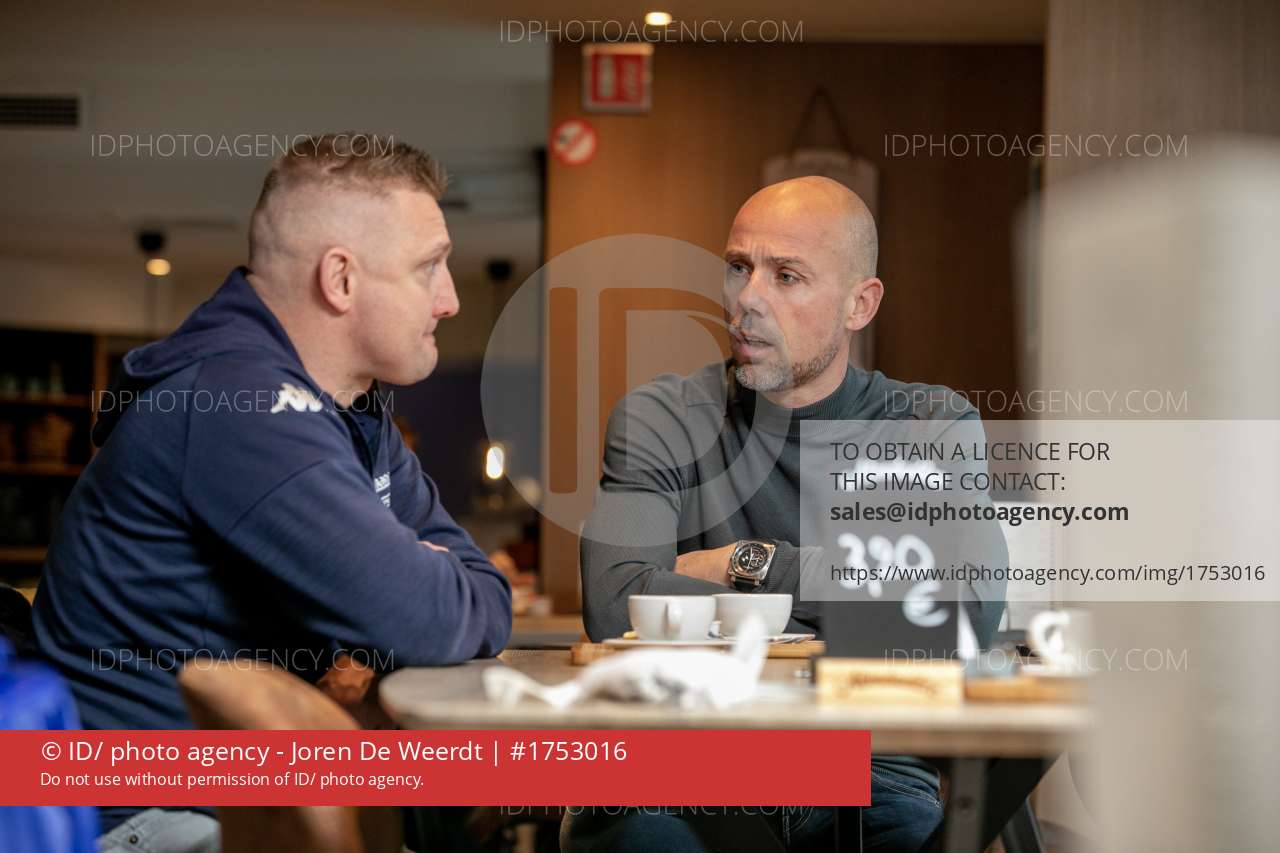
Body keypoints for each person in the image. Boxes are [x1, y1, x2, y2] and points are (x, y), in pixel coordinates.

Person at [32, 133, 512, 850]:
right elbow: (424, 617)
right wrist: (422, 582)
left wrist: (429, 583)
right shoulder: (242, 404)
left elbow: (481, 591)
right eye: (429, 267)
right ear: (340, 279)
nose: (448, 300)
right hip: (140, 814)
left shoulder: (354, 410)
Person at [576, 176, 1007, 852]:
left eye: (786, 276)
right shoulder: (662, 418)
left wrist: (746, 565)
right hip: (679, 768)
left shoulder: (928, 424)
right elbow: (615, 603)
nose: (747, 299)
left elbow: (963, 615)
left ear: (860, 304)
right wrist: (867, 606)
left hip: (870, 772)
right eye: (738, 267)